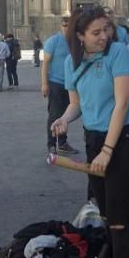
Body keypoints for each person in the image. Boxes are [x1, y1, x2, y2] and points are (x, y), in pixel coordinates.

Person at [51, 6, 129, 258]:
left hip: (125, 140)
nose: (104, 36)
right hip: (95, 141)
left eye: (107, 29)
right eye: (96, 33)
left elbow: (122, 103)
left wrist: (108, 150)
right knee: (107, 213)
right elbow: (76, 104)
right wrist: (64, 119)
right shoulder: (72, 62)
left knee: (118, 218)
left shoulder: (118, 52)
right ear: (79, 36)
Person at [41, 15, 80, 154]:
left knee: (65, 115)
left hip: (71, 85)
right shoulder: (53, 41)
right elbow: (45, 63)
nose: (66, 28)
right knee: (54, 115)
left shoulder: (75, 41)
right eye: (64, 25)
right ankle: (51, 144)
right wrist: (44, 83)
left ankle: (62, 143)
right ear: (60, 26)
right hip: (55, 83)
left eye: (69, 26)